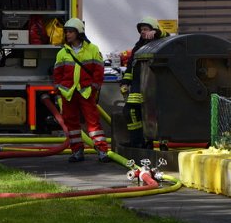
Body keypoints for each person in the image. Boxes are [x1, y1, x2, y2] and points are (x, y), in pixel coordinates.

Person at [52, 18, 110, 163]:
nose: (68, 35)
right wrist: (59, 88)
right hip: (68, 93)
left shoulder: (92, 49)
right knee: (71, 124)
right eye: (66, 32)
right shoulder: (62, 52)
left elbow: (99, 70)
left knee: (93, 123)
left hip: (86, 92)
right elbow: (57, 74)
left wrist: (94, 87)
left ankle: (102, 151)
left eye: (71, 32)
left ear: (79, 33)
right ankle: (77, 151)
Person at [120, 16, 169, 148]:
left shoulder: (160, 41)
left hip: (153, 86)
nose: (142, 32)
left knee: (153, 116)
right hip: (137, 86)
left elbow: (168, 36)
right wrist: (125, 81)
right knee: (131, 111)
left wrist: (158, 33)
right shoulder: (138, 47)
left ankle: (151, 142)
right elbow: (131, 66)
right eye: (141, 30)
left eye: (146, 29)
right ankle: (137, 141)